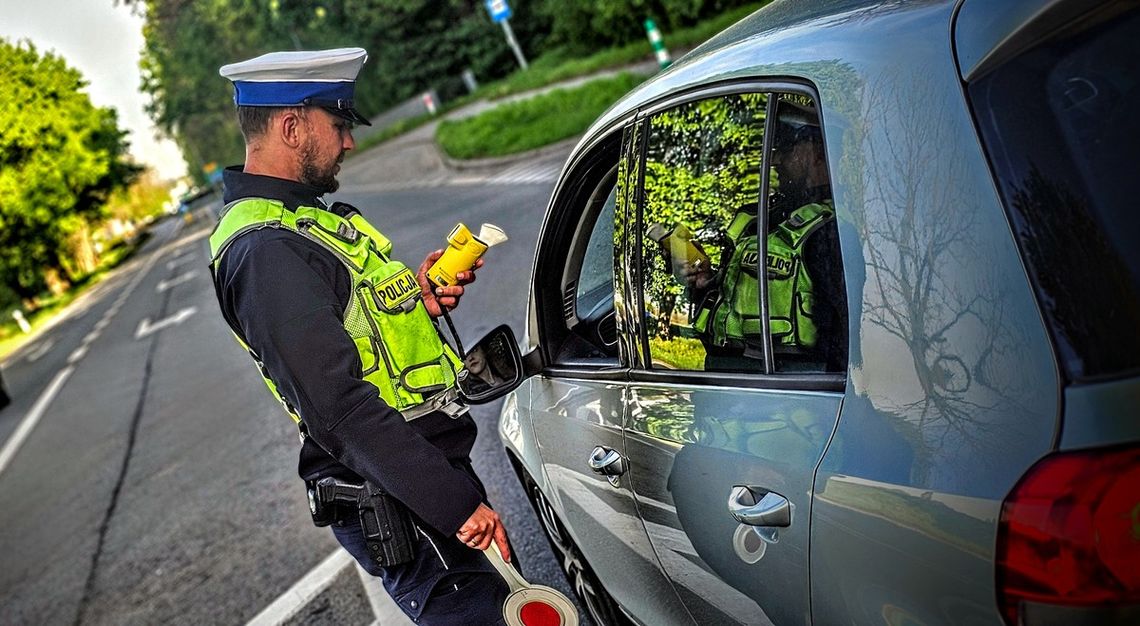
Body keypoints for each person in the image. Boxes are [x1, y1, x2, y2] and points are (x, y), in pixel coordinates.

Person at [208, 48, 512, 625]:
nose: (348, 142)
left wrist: (411, 301)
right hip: (404, 498)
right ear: (292, 127)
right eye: (339, 125)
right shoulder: (265, 248)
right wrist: (452, 506)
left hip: (417, 480)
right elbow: (337, 407)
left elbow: (350, 332)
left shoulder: (299, 224)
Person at [676, 100, 841, 370]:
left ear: (819, 153)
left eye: (786, 148)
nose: (774, 160)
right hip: (729, 378)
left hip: (794, 389)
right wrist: (707, 283)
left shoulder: (831, 230)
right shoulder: (755, 220)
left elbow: (848, 335)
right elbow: (732, 311)